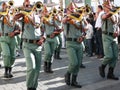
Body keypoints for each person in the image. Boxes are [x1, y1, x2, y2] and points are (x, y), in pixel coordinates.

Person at [14, 1, 45, 90]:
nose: (29, 6)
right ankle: (29, 87)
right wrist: (23, 12)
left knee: (37, 70)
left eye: (29, 5)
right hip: (27, 45)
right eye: (26, 5)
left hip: (38, 46)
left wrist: (43, 39)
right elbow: (14, 18)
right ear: (23, 7)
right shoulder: (23, 17)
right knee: (32, 67)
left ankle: (33, 87)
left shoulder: (39, 17)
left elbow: (44, 30)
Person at [63, 12, 85, 88]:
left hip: (79, 43)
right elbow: (64, 21)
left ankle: (74, 81)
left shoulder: (80, 20)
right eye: (71, 9)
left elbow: (84, 30)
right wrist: (69, 17)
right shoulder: (67, 19)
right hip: (70, 43)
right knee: (74, 62)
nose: (73, 10)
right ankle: (68, 74)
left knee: (78, 64)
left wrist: (82, 37)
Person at [99, 1, 119, 80]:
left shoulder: (116, 14)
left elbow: (117, 24)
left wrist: (118, 32)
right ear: (104, 7)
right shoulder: (103, 14)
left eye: (110, 5)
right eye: (108, 6)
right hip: (106, 36)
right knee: (109, 55)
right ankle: (102, 67)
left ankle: (110, 73)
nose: (110, 6)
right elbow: (104, 17)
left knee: (115, 56)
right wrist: (111, 12)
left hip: (114, 37)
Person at [0, 2, 20, 78]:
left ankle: (10, 70)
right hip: (3, 39)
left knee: (13, 56)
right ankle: (6, 70)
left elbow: (19, 30)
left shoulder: (14, 18)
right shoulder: (1, 18)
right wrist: (2, 12)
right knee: (6, 54)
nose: (6, 9)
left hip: (12, 39)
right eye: (5, 7)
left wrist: (14, 33)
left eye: (8, 7)